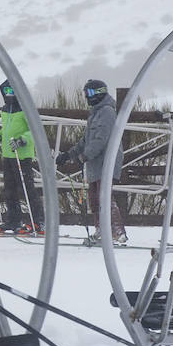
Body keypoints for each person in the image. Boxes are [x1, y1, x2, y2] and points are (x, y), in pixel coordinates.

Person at [56, 79, 128, 247]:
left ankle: (118, 233)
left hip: (107, 162)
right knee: (94, 199)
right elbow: (85, 141)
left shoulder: (107, 112)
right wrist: (69, 155)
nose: (87, 98)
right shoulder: (95, 113)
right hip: (96, 163)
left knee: (104, 197)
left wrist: (84, 157)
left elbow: (100, 140)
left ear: (99, 93)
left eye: (89, 94)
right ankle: (102, 230)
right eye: (85, 94)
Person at [0, 79, 44, 236]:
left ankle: (38, 221)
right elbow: (6, 130)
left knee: (27, 189)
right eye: (6, 92)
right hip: (8, 154)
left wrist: (23, 140)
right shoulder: (6, 109)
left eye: (12, 92)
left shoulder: (26, 108)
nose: (9, 95)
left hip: (22, 155)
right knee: (9, 189)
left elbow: (36, 130)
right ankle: (14, 219)